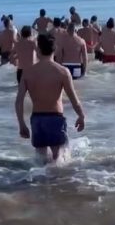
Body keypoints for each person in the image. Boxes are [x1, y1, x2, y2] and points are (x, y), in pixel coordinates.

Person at [15, 33, 85, 164]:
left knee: (40, 160)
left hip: (37, 119)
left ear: (38, 49)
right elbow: (74, 100)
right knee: (57, 159)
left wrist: (21, 124)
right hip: (55, 118)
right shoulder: (62, 71)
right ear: (55, 49)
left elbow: (19, 101)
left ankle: (38, 177)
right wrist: (81, 116)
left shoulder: (28, 72)